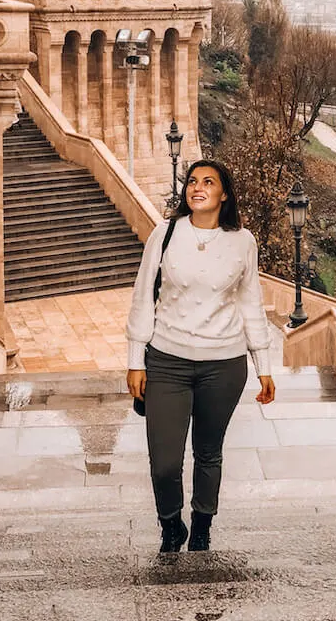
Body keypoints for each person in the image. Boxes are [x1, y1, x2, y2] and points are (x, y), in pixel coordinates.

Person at [126, 159, 275, 555]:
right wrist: (135, 359)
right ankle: (171, 524)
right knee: (164, 461)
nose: (198, 187)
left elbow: (250, 302)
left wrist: (263, 365)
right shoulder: (165, 233)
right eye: (193, 181)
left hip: (223, 364)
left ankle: (203, 526)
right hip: (167, 360)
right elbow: (143, 297)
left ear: (223, 194)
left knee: (208, 452)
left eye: (208, 182)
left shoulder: (244, 241)